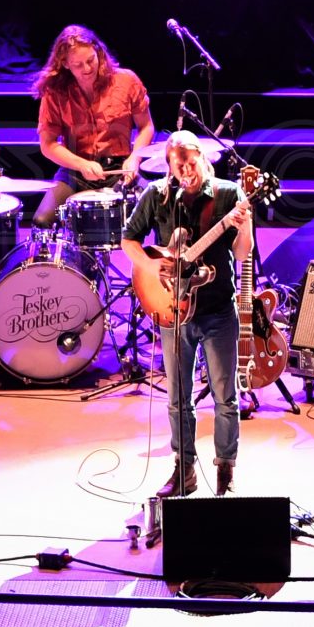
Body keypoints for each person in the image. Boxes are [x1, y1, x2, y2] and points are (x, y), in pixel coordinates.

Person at [120, 131, 253, 495]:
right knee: (178, 399)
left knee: (225, 397)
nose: (186, 172)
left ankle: (225, 468)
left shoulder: (228, 195)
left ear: (202, 158)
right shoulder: (158, 195)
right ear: (169, 167)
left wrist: (245, 227)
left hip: (217, 311)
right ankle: (184, 470)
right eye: (178, 167)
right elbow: (128, 241)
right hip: (172, 312)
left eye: (191, 163)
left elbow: (242, 254)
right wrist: (153, 269)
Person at [31, 25, 154, 228]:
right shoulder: (55, 92)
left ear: (98, 51)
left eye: (90, 60)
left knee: (160, 209)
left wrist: (135, 158)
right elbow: (48, 145)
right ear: (65, 64)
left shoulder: (126, 80)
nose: (87, 69)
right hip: (75, 169)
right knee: (42, 221)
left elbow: (146, 127)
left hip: (120, 168)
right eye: (78, 64)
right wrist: (81, 164)